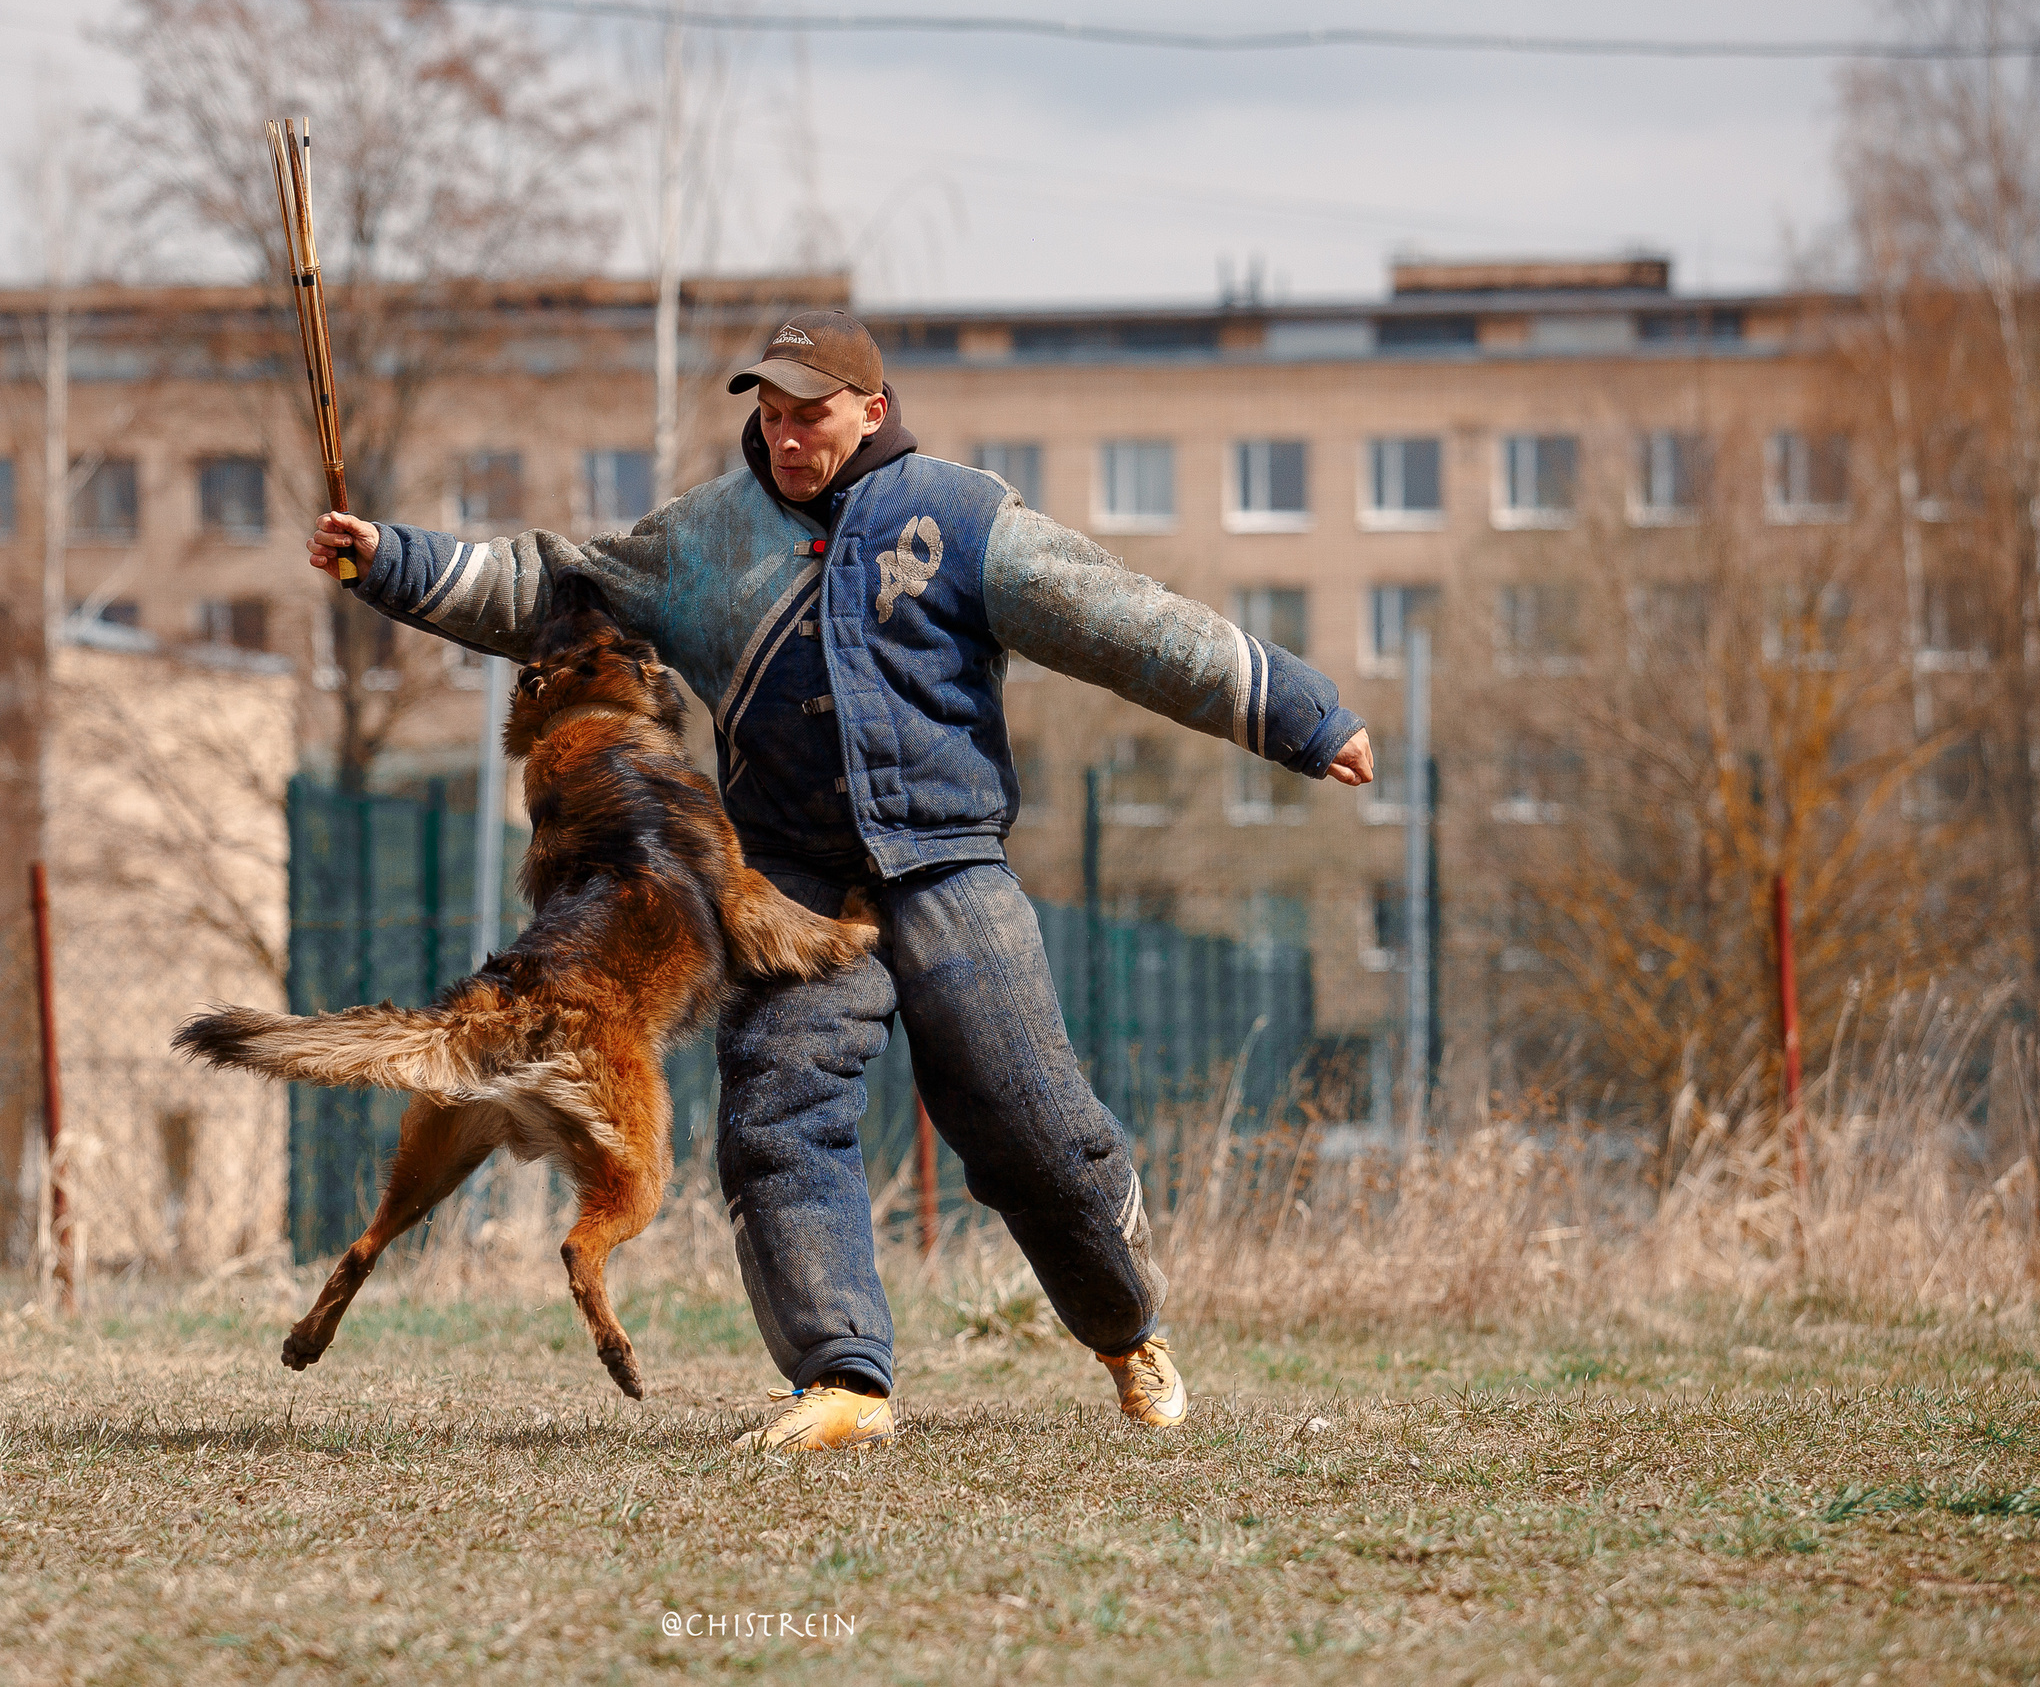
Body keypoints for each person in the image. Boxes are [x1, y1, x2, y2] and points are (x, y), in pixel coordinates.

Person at [307, 310, 1374, 1450]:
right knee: (778, 1113)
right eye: (766, 417)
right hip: (793, 880)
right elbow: (549, 585)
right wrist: (388, 559)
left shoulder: (963, 519)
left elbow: (1127, 624)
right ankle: (845, 1380)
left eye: (806, 415)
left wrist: (1300, 717)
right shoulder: (705, 540)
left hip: (948, 862)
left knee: (1030, 1126)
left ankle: (1127, 1335)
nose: (782, 438)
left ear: (871, 409)